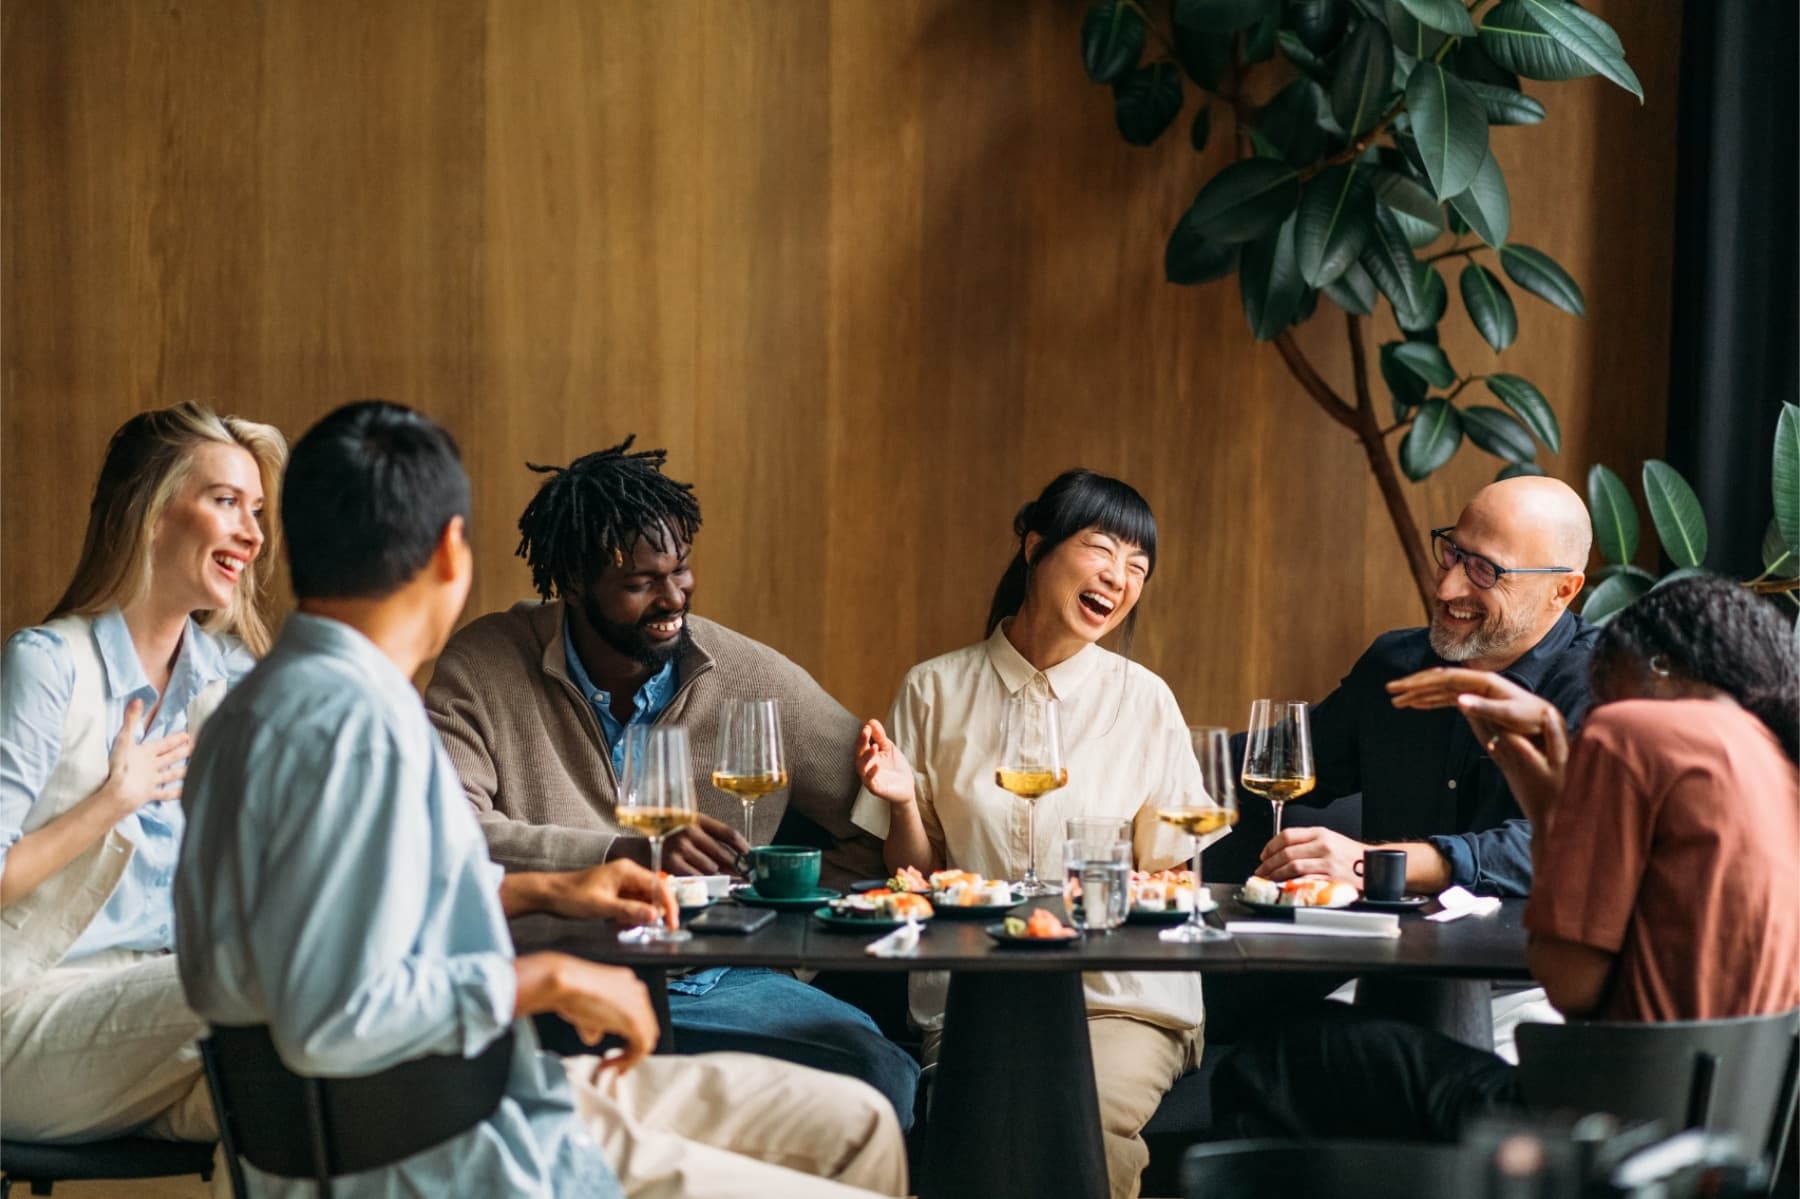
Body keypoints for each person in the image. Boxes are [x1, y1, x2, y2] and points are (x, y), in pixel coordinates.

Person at [175, 400, 906, 1198]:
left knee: (862, 1121)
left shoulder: (257, 706)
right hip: (441, 1148)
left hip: (468, 1102)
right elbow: (336, 1015)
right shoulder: (355, 729)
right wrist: (550, 979)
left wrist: (553, 886)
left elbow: (369, 904)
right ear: (451, 553)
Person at [423, 438, 919, 1127]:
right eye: (639, 582)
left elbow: (878, 818)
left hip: (719, 979)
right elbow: (443, 838)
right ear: (571, 583)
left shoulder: (750, 675)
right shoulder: (483, 664)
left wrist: (771, 904)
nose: (672, 596)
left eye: (680, 570)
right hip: (559, 974)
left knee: (882, 1074)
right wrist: (616, 855)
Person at [1213, 575, 1800, 1141]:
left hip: (1606, 1123)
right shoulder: (1772, 761)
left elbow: (1570, 983)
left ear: (1658, 671)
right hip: (1725, 1127)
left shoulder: (1637, 728)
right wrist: (1548, 791)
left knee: (1274, 1063)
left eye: (1606, 691)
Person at [854, 468, 1216, 1199]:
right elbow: (915, 878)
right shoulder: (933, 688)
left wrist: (1131, 890)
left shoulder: (1144, 702)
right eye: (1103, 550)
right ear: (1034, 546)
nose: (1120, 578)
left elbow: (1176, 881)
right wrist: (900, 803)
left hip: (1118, 998)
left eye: (1139, 567)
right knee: (976, 1137)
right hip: (974, 994)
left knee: (1080, 1130)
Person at [0, 402, 285, 1143]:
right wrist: (110, 802)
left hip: (160, 1022)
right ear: (153, 515)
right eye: (226, 501)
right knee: (284, 972)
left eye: (255, 509)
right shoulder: (48, 665)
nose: (253, 534)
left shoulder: (228, 678)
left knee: (316, 1107)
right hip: (26, 1011)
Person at [1235, 475, 1597, 900]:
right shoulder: (1395, 664)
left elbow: (1574, 845)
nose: (1445, 588)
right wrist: (1157, 757)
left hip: (1519, 963)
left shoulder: (1604, 688)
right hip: (1380, 956)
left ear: (1562, 590)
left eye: (1485, 570)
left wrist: (1372, 865)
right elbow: (1280, 761)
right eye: (1452, 553)